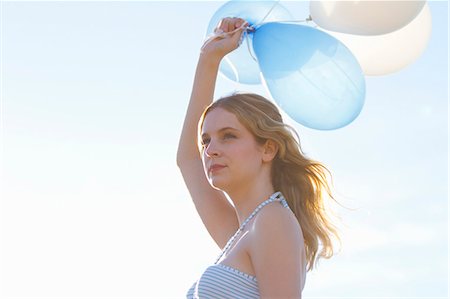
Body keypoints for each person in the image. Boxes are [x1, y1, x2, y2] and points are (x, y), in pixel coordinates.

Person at [177, 17, 340, 299]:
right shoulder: (242, 231)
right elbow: (188, 160)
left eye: (229, 135)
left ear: (268, 149)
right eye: (206, 140)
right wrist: (209, 58)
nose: (211, 149)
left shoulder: (272, 220)